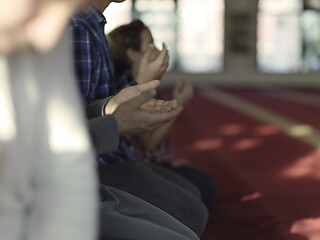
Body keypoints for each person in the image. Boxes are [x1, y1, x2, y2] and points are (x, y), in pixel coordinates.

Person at [0, 2, 200, 240]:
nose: (53, 30)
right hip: (51, 191)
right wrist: (116, 121)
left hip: (78, 177)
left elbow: (65, 119)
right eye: (36, 12)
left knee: (194, 208)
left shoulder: (77, 28)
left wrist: (109, 106)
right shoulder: (75, 29)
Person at [70, 0, 208, 236]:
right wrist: (139, 88)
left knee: (198, 197)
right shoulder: (75, 27)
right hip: (84, 173)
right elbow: (143, 140)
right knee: (192, 212)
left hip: (100, 162)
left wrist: (114, 108)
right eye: (149, 44)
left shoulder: (93, 26)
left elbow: (88, 110)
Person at [107, 19, 216, 208]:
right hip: (144, 162)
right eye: (149, 44)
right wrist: (179, 102)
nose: (157, 49)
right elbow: (149, 143)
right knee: (202, 191)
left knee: (205, 183)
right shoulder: (128, 87)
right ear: (132, 54)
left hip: (158, 160)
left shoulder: (145, 81)